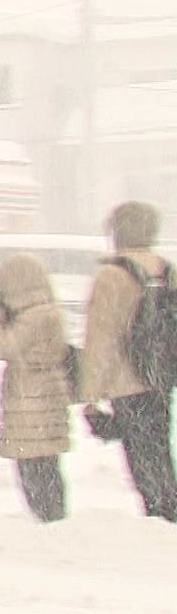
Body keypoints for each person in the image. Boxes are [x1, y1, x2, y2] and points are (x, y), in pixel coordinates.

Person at [79, 201, 177, 521]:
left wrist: (91, 394)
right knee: (157, 452)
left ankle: (163, 518)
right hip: (159, 377)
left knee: (143, 463)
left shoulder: (111, 276)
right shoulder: (167, 271)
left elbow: (100, 338)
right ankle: (165, 511)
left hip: (127, 382)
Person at [0, 252, 72, 523]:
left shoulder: (33, 317)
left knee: (33, 467)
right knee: (45, 465)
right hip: (44, 395)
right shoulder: (47, 310)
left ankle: (48, 520)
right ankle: (52, 518)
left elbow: (2, 347)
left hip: (31, 398)